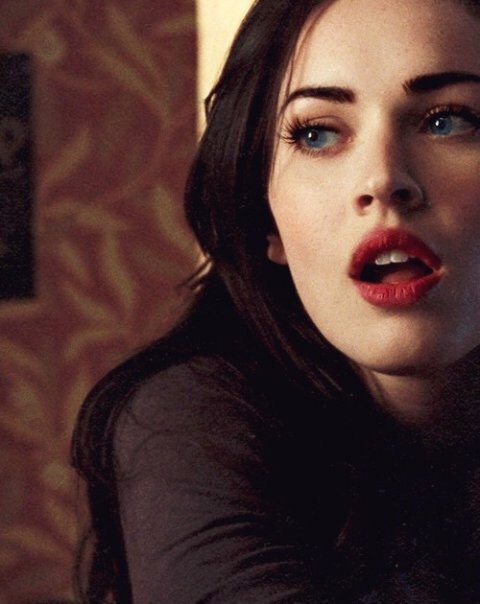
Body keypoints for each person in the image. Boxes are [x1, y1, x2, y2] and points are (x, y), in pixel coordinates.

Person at [72, 0, 480, 601]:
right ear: (266, 220)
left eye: (447, 120)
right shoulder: (190, 424)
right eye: (317, 134)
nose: (383, 179)